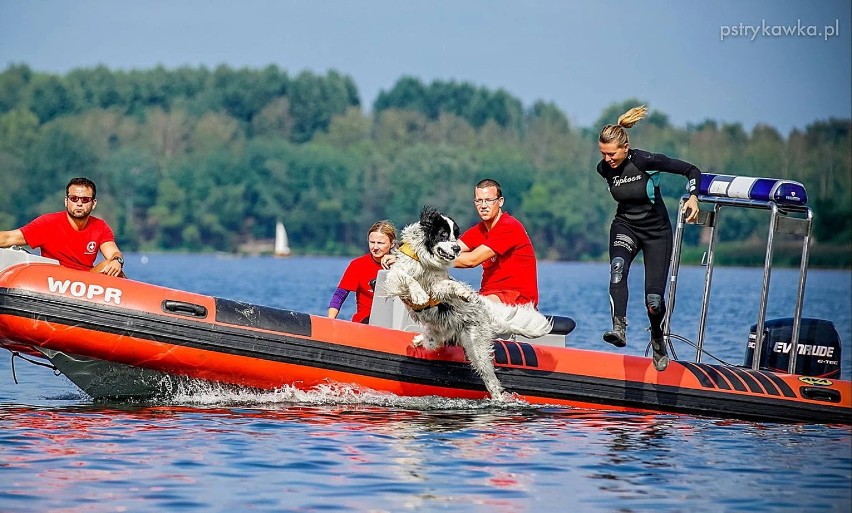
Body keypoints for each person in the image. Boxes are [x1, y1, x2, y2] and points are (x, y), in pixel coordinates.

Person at [597, 105, 700, 371]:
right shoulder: (604, 169)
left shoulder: (645, 161)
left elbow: (691, 170)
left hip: (657, 233)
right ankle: (619, 328)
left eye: (612, 153)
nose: (607, 159)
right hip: (625, 227)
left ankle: (657, 337)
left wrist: (693, 196)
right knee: (618, 269)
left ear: (626, 147)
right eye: (603, 153)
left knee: (653, 302)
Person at [0, 177, 126, 277]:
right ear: (66, 201)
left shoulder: (100, 227)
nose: (79, 204)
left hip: (87, 283)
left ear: (93, 203)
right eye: (74, 198)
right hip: (53, 283)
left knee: (111, 265)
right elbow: (9, 238)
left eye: (85, 200)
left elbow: (113, 253)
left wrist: (117, 261)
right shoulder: (47, 223)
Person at [454, 178, 539, 306]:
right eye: (479, 201)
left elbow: (471, 260)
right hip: (488, 296)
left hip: (518, 300)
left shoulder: (509, 227)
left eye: (488, 200)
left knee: (470, 306)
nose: (483, 206)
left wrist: (432, 259)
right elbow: (452, 249)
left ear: (500, 202)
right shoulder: (478, 230)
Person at [327, 220, 397, 323]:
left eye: (381, 243)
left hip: (393, 324)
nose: (375, 247)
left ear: (392, 244)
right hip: (364, 323)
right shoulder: (357, 265)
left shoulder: (402, 265)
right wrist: (329, 321)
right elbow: (340, 295)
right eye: (372, 242)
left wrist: (399, 262)